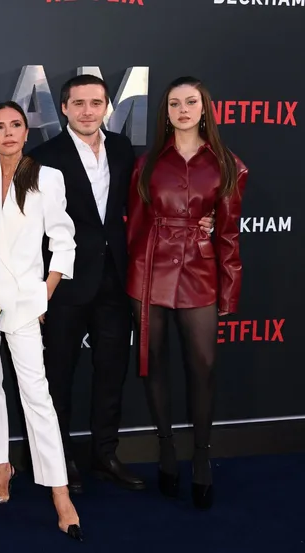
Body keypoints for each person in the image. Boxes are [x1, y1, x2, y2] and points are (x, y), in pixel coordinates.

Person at [28, 75, 213, 493]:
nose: (87, 111)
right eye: (78, 104)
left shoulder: (125, 151)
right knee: (58, 375)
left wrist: (207, 217)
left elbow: (160, 200)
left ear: (107, 107)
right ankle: (59, 461)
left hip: (117, 279)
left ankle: (105, 455)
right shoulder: (42, 156)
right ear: (64, 108)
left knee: (111, 373)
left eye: (96, 103)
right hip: (65, 283)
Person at [126, 76, 246, 510]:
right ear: (167, 111)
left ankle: (201, 457)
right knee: (154, 365)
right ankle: (165, 451)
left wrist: (228, 294)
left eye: (190, 102)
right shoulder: (148, 163)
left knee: (203, 368)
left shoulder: (228, 165)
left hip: (200, 272)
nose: (182, 110)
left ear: (204, 108)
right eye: (174, 103)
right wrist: (134, 279)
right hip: (149, 272)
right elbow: (135, 228)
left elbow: (229, 237)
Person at [0, 101, 82, 541]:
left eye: (15, 125)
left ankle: (60, 493)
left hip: (25, 302)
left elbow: (63, 238)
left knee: (37, 395)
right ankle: (1, 468)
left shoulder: (47, 177)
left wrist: (44, 294)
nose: (8, 133)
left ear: (26, 132)